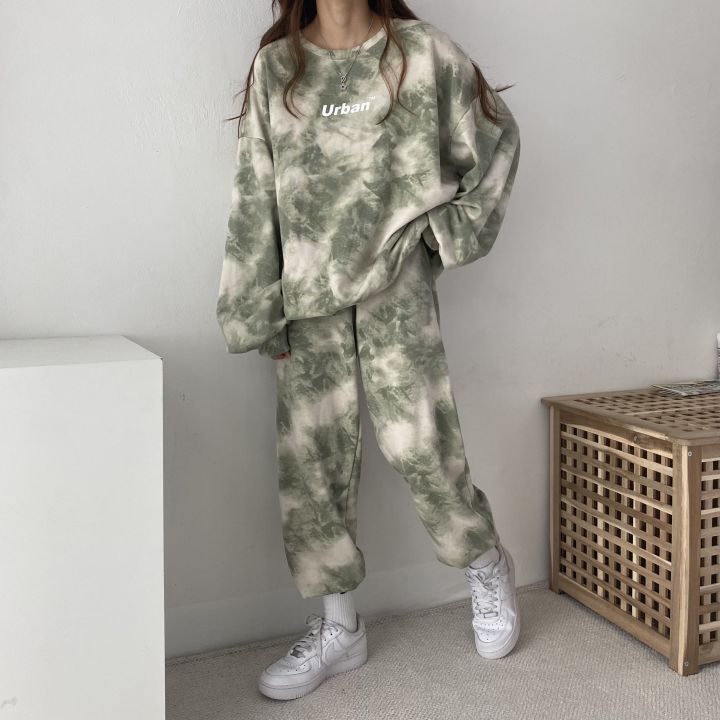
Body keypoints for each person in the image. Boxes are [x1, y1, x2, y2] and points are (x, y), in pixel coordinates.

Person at [216, 0, 522, 702]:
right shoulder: (279, 68)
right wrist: (258, 309)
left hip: (396, 288)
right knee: (313, 462)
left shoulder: (423, 54)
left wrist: (442, 232)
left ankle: (485, 562)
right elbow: (254, 193)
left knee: (421, 445)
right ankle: (339, 627)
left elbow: (498, 142)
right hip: (307, 296)